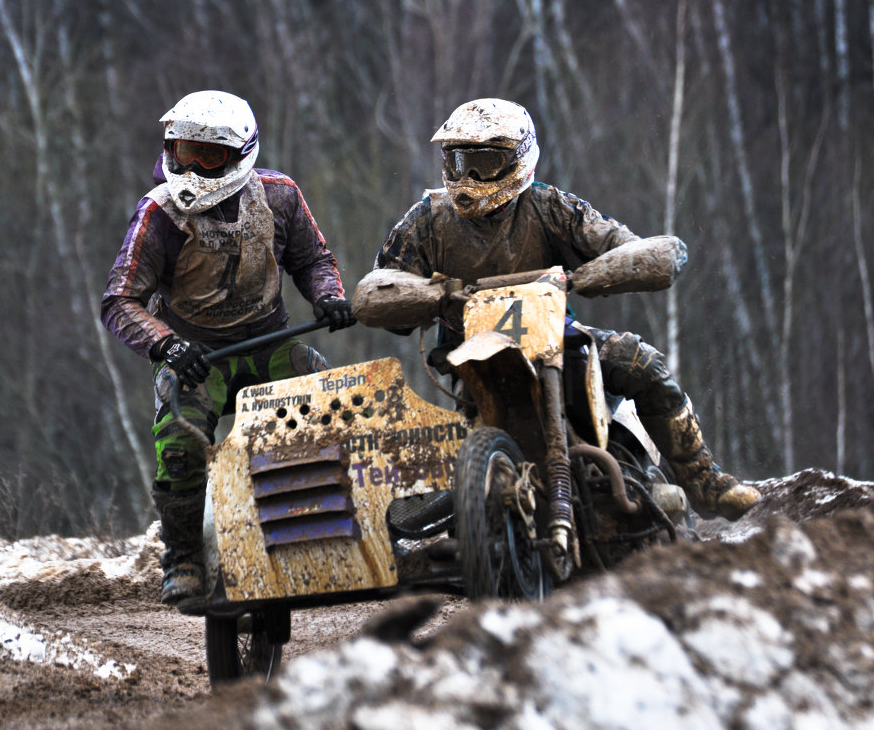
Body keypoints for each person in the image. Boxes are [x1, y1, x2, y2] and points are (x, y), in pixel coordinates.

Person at [371, 97, 760, 521]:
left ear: (516, 160)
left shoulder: (550, 206)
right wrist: (424, 297)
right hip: (471, 359)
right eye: (460, 161)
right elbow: (383, 283)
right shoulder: (427, 219)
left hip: (559, 341)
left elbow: (619, 243)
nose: (469, 177)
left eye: (483, 162)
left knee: (641, 362)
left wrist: (611, 269)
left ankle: (705, 481)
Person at [102, 90, 355, 605]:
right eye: (181, 151)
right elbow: (120, 300)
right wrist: (166, 345)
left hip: (272, 341)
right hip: (198, 358)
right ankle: (183, 556)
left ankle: (333, 527)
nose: (189, 166)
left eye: (207, 156)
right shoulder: (159, 213)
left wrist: (329, 297)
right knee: (179, 442)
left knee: (331, 410)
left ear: (241, 154)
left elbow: (314, 259)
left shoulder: (280, 196)